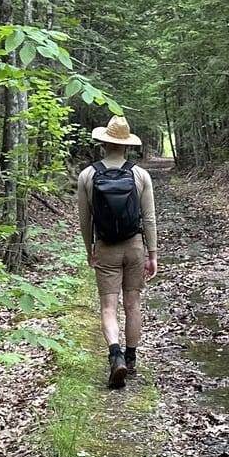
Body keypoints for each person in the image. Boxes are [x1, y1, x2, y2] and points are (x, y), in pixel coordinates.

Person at [76, 116, 158, 389]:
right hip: (134, 245)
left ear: (103, 143)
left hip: (106, 247)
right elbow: (149, 218)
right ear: (127, 146)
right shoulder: (140, 175)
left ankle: (115, 355)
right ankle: (131, 360)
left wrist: (90, 248)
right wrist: (153, 253)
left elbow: (85, 220)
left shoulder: (87, 175)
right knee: (132, 304)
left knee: (108, 307)